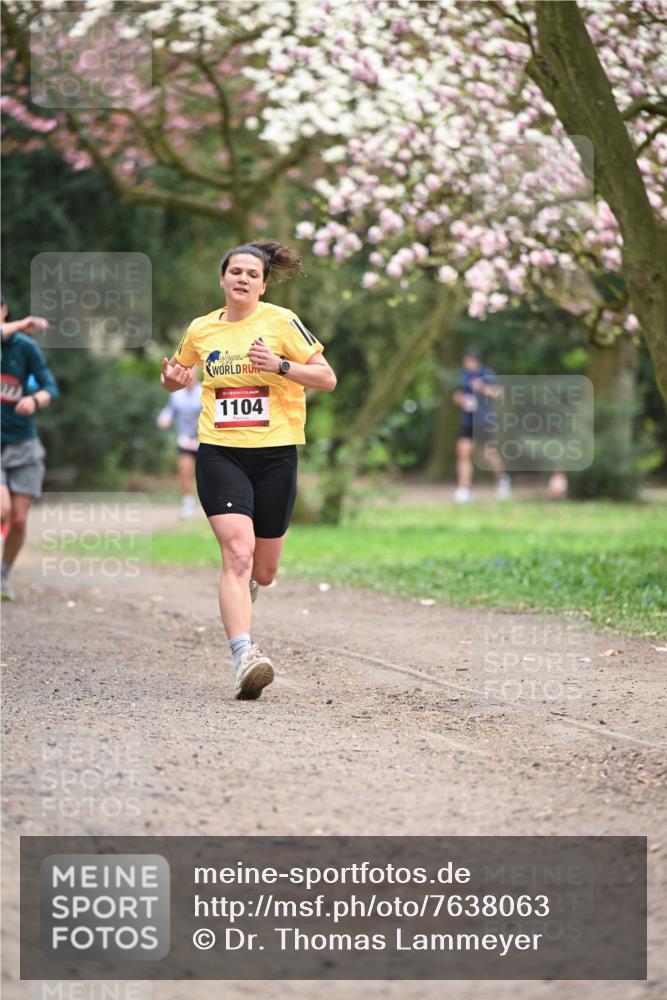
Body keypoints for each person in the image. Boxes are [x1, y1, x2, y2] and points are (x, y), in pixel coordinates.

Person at [160, 241, 336, 700]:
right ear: (222, 279)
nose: (242, 279)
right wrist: (172, 380)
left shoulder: (282, 322)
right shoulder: (201, 329)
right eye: (235, 271)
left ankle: (249, 589)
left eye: (252, 274)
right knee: (237, 554)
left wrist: (281, 366)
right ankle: (245, 656)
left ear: (263, 284)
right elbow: (176, 374)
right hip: (221, 453)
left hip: (276, 454)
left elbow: (327, 378)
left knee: (265, 569)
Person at [1, 295, 58, 600]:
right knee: (2, 508)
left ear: (4, 310)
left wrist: (34, 400)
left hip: (23, 442)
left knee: (19, 519)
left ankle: (3, 575)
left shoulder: (25, 348)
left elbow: (50, 388)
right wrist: (22, 323)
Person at [452, 347, 510, 503]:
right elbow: (456, 395)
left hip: (484, 420)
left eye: (470, 361)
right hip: (467, 420)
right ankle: (464, 489)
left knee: (488, 454)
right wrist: (462, 400)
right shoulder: (463, 375)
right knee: (463, 451)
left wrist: (482, 388)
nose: (468, 364)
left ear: (476, 361)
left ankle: (502, 480)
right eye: (466, 361)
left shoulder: (486, 374)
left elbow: (499, 393)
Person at [156, 368, 202, 519]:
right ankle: (187, 503)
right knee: (184, 469)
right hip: (185, 440)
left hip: (204, 439)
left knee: (210, 474)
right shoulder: (176, 395)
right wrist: (164, 419)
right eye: (187, 374)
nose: (190, 377)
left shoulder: (204, 391)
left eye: (192, 374)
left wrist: (202, 421)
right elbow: (169, 411)